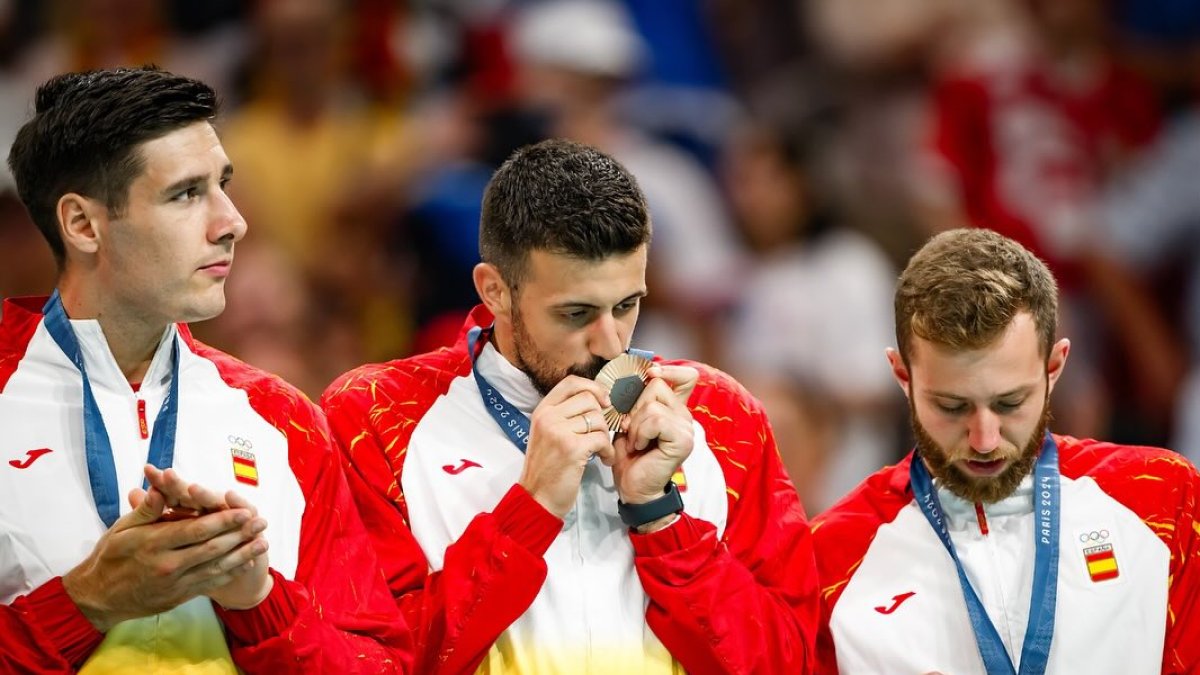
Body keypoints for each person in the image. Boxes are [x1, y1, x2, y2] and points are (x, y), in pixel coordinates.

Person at [320, 138, 818, 674]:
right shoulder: (375, 417)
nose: (610, 343)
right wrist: (530, 510)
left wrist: (660, 518)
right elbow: (366, 663)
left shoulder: (721, 417)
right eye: (576, 313)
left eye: (627, 305)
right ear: (496, 292)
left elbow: (787, 664)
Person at [0, 66, 412, 673]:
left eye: (223, 184)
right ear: (83, 225)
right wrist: (86, 603)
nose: (233, 222)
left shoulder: (284, 419)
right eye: (186, 193)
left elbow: (380, 664)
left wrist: (258, 604)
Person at [811, 228, 1200, 674]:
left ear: (1054, 367)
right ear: (903, 376)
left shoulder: (1164, 502)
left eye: (1010, 403)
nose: (985, 439)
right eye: (952, 406)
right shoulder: (831, 558)